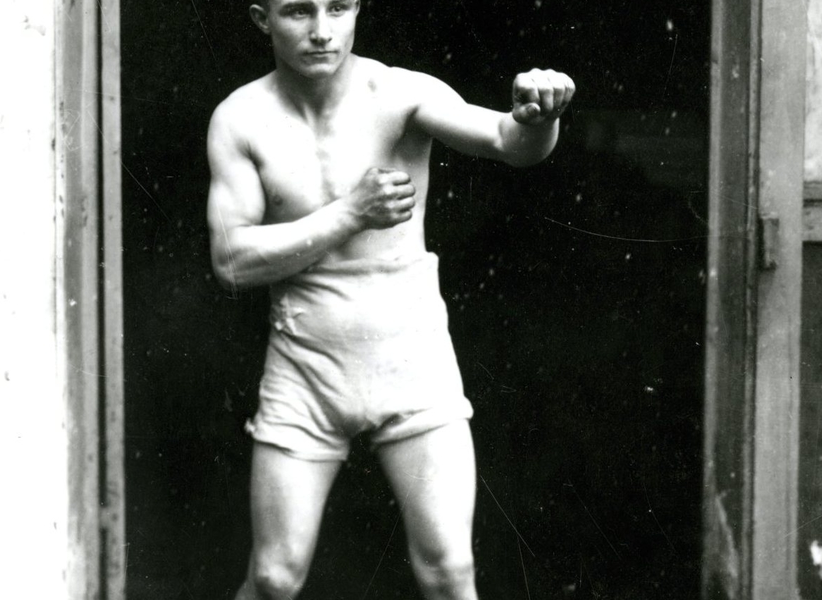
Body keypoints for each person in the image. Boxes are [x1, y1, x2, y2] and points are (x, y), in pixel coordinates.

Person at [206, 1, 575, 598]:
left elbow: (509, 142)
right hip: (306, 366)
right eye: (299, 12)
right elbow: (230, 261)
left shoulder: (400, 94)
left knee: (449, 571)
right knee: (274, 577)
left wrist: (538, 117)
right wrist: (349, 215)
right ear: (261, 19)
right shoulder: (240, 118)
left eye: (339, 6)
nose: (323, 31)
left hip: (411, 360)